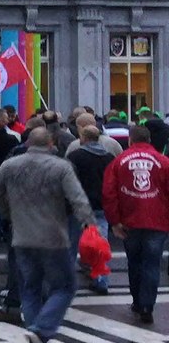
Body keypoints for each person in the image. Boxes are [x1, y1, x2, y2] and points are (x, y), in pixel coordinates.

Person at [0, 127, 94, 343]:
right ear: (51, 143)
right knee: (64, 286)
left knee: (30, 287)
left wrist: (8, 211)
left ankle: (37, 341)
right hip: (53, 236)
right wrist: (89, 225)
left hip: (22, 234)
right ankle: (42, 329)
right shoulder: (60, 167)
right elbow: (78, 199)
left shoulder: (11, 165)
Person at [102, 124, 169, 325]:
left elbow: (109, 193)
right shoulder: (163, 161)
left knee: (135, 262)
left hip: (129, 221)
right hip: (157, 221)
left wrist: (114, 221)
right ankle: (148, 304)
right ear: (149, 140)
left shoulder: (118, 162)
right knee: (152, 264)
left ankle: (138, 301)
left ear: (130, 140)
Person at [68, 125, 115, 294]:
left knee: (72, 244)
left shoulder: (75, 156)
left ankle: (68, 281)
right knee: (100, 244)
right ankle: (101, 279)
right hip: (102, 205)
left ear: (83, 137)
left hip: (79, 206)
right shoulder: (109, 157)